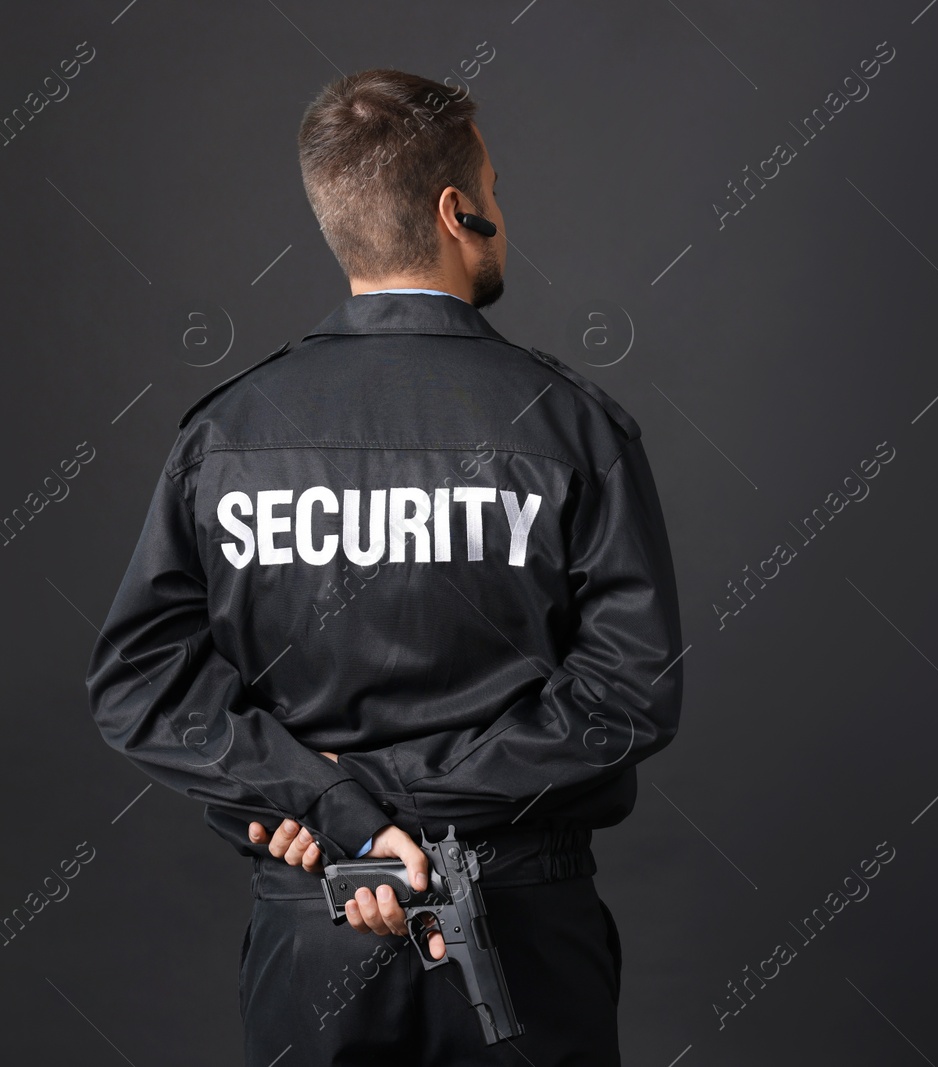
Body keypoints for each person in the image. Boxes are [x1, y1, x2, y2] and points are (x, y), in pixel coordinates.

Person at [84, 68, 684, 1065]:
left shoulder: (229, 433)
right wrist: (409, 814)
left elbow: (137, 682)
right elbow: (629, 690)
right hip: (524, 917)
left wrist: (343, 813)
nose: (499, 204)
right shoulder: (572, 425)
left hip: (316, 907)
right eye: (492, 184)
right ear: (458, 211)